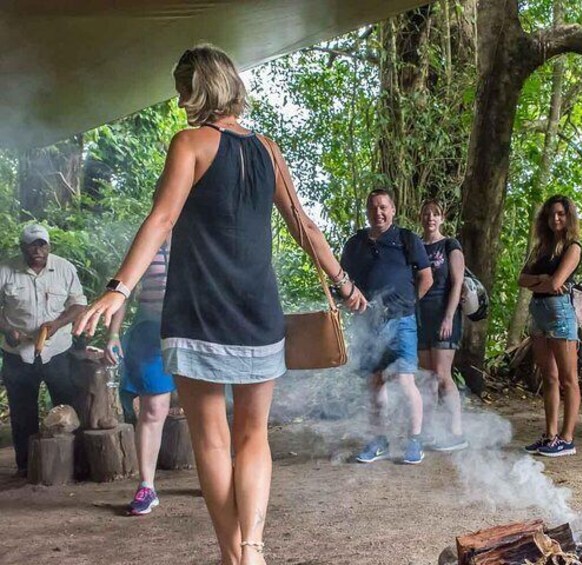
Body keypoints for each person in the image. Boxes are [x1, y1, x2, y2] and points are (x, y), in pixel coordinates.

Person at [74, 44, 366, 565]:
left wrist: (118, 288)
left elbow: (162, 220)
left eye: (183, 87)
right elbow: (305, 227)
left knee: (212, 439)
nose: (181, 99)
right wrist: (342, 281)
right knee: (253, 436)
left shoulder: (189, 144)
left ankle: (233, 555)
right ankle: (252, 550)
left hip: (199, 312)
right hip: (258, 313)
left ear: (199, 88)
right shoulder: (268, 150)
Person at [341, 189, 433, 465]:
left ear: (393, 210)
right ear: (367, 211)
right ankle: (378, 440)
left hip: (401, 321)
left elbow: (426, 277)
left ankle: (414, 441)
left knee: (405, 381)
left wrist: (408, 303)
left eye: (383, 207)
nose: (378, 212)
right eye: (373, 208)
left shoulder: (407, 239)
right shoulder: (355, 243)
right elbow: (343, 281)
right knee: (375, 383)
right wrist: (347, 301)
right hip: (367, 324)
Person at [0, 224, 87, 476]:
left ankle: (75, 464)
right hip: (18, 354)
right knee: (22, 411)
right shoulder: (6, 270)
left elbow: (78, 303)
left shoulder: (64, 268)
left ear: (49, 246)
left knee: (67, 406)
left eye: (42, 244)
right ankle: (26, 467)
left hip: (57, 351)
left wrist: (59, 323)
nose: (38, 249)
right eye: (32, 245)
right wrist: (7, 329)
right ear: (22, 247)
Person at [104, 237, 173, 515]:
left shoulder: (200, 236)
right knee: (153, 408)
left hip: (196, 330)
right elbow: (125, 288)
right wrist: (113, 334)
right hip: (150, 332)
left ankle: (215, 475)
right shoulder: (147, 243)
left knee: (205, 406)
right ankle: (147, 486)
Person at [519, 195, 582, 457]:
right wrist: (541, 279)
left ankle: (567, 438)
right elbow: (521, 279)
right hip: (538, 312)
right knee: (549, 377)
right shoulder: (541, 248)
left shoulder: (573, 247)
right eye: (550, 215)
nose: (555, 219)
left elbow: (557, 283)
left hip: (560, 313)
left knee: (568, 379)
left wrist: (542, 281)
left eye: (560, 214)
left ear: (568, 217)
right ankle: (550, 434)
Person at [417, 200, 468, 452]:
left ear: (442, 218)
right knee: (427, 378)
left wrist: (449, 317)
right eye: (426, 214)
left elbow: (457, 283)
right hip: (420, 316)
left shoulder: (450, 245)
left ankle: (456, 431)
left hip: (444, 315)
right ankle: (430, 430)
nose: (430, 218)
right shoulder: (416, 245)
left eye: (435, 214)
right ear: (420, 217)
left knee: (442, 374)